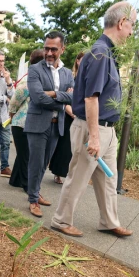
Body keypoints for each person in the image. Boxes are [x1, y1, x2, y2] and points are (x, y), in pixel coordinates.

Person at [51, 2, 136, 238]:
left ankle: (109, 221)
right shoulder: (100, 54)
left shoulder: (106, 52)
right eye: (132, 26)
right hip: (93, 129)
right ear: (121, 23)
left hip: (105, 129)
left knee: (109, 179)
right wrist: (95, 138)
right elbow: (91, 99)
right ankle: (61, 220)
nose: (132, 32)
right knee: (78, 177)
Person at [24, 31, 74, 218]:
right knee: (36, 164)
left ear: (62, 49)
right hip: (37, 124)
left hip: (56, 125)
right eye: (46, 48)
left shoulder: (67, 73)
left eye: (54, 49)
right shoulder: (35, 70)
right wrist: (63, 97)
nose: (49, 53)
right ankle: (33, 200)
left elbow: (74, 97)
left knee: (44, 163)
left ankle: (35, 192)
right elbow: (37, 98)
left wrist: (52, 93)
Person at [8, 49, 45, 192]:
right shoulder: (29, 79)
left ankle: (15, 180)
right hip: (21, 123)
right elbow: (15, 100)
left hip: (28, 123)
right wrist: (11, 114)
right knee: (26, 156)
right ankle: (27, 185)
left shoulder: (38, 78)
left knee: (24, 154)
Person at [50, 51, 85, 184]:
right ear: (77, 61)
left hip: (81, 116)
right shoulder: (71, 77)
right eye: (83, 59)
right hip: (69, 115)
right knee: (64, 147)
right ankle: (58, 173)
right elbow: (65, 99)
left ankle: (72, 175)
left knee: (77, 149)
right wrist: (73, 113)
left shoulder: (88, 78)